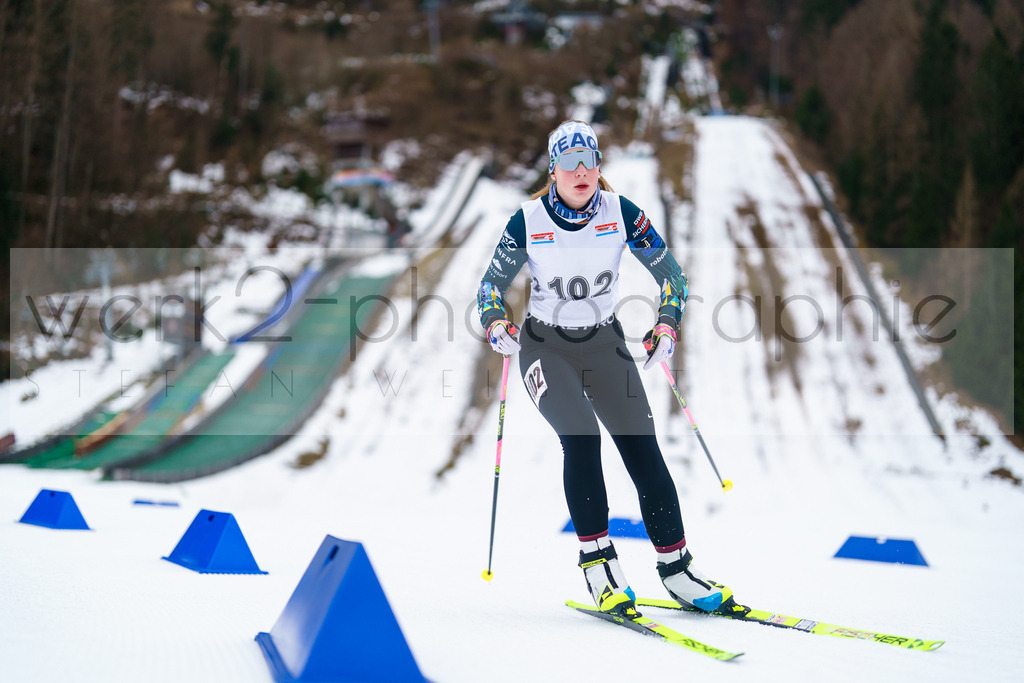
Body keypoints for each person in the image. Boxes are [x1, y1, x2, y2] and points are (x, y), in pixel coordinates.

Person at [476, 120, 741, 617]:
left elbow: (672, 277)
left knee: (642, 448)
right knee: (580, 435)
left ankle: (677, 570)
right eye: (569, 162)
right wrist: (495, 324)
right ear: (552, 170)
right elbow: (489, 286)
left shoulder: (621, 213)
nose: (581, 171)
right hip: (544, 347)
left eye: (590, 161)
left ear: (599, 166)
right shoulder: (528, 220)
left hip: (603, 343)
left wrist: (666, 325)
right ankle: (599, 566)